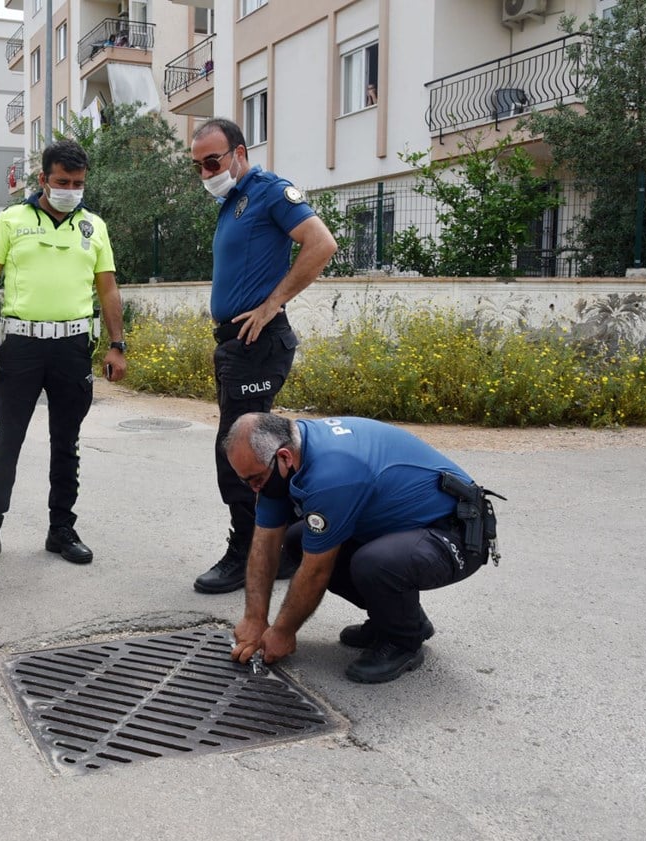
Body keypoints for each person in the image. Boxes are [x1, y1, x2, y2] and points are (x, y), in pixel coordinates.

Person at [225, 413, 502, 684]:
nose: (254, 490)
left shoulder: (332, 472)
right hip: (407, 528)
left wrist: (283, 631)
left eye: (255, 480)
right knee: (298, 539)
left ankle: (403, 641)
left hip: (455, 536)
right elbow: (265, 543)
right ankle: (398, 619)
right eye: (245, 481)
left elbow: (316, 570)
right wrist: (254, 618)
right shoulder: (284, 460)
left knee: (373, 563)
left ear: (284, 456)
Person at [189, 118, 338, 595]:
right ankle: (280, 548)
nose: (207, 172)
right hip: (235, 343)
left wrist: (274, 302)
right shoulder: (231, 203)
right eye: (198, 166)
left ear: (239, 151)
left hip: (259, 340)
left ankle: (251, 552)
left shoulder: (270, 190)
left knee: (238, 450)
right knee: (257, 448)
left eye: (213, 161)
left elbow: (322, 244)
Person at [0, 140, 126, 570]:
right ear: (43, 180)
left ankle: (61, 530)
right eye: (62, 182)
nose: (71, 189)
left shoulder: (94, 226)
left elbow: (107, 288)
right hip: (20, 347)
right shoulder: (12, 220)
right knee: (7, 441)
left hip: (73, 348)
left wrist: (117, 343)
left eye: (78, 183)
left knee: (66, 443)